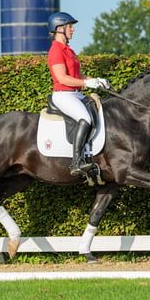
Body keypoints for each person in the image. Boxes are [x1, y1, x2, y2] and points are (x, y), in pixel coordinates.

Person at [47, 11, 110, 176]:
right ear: (59, 28)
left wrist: (96, 80)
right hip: (63, 94)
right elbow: (62, 78)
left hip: (76, 94)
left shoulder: (69, 50)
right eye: (70, 26)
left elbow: (78, 76)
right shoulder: (56, 51)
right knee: (85, 118)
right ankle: (76, 162)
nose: (72, 30)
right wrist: (85, 83)